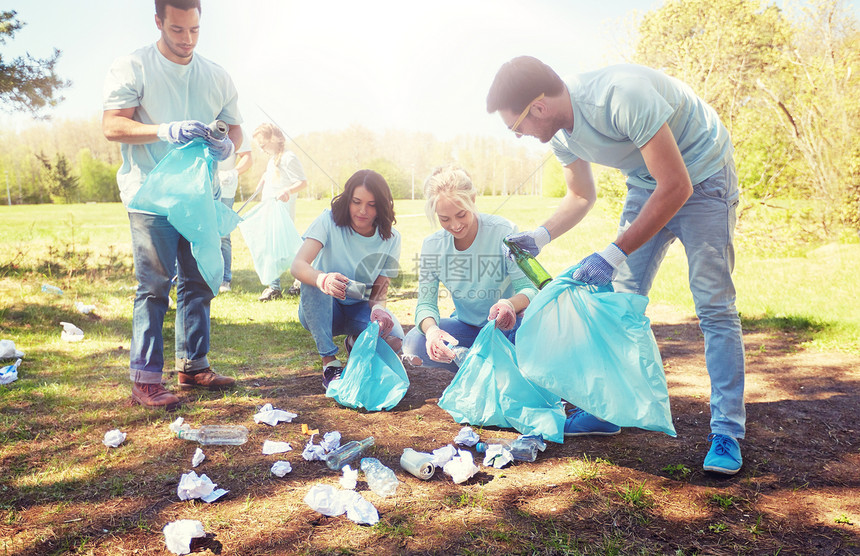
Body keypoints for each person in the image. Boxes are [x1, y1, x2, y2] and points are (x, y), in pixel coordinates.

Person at [487, 56, 745, 475]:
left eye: (517, 128)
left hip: (704, 175)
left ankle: (727, 432)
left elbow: (677, 185)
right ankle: (608, 409)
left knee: (714, 305)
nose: (520, 137)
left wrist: (613, 252)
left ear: (538, 107)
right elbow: (581, 196)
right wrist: (539, 236)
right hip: (648, 184)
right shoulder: (560, 136)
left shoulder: (621, 95)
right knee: (618, 303)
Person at [102, 0, 241, 410]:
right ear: (159, 22)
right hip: (150, 195)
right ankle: (145, 379)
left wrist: (225, 144)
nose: (187, 40)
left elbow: (235, 129)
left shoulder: (216, 75)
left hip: (199, 197)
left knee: (198, 284)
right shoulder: (132, 66)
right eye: (178, 30)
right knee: (155, 286)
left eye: (195, 30)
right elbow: (112, 125)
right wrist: (165, 129)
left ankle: (193, 367)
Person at [402, 165, 538, 372]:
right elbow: (425, 305)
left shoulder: (504, 231)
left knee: (538, 337)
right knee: (414, 343)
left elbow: (529, 288)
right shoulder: (433, 246)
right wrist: (431, 332)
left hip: (507, 327)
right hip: (467, 328)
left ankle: (486, 366)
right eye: (444, 219)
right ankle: (484, 367)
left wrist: (508, 304)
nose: (455, 225)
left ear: (473, 199)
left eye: (461, 215)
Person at [290, 169, 405, 389]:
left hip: (359, 307)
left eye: (372, 204)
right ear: (348, 200)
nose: (363, 211)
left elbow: (379, 290)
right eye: (356, 202)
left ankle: (354, 341)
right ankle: (330, 364)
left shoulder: (391, 238)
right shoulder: (328, 220)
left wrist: (379, 309)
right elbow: (298, 265)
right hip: (323, 310)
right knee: (313, 280)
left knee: (395, 341)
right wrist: (323, 279)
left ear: (381, 206)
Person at [250, 123, 308, 301]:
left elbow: (302, 182)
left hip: (281, 212)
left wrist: (287, 191)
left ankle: (301, 279)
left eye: (263, 145)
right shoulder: (273, 159)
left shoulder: (288, 157)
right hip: (269, 210)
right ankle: (274, 287)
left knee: (288, 246)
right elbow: (273, 178)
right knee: (270, 246)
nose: (262, 149)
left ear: (273, 139)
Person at [217, 128, 252, 293]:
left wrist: (233, 172)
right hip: (201, 187)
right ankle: (192, 277)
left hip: (225, 189)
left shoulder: (235, 130)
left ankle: (224, 280)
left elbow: (248, 158)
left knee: (223, 234)